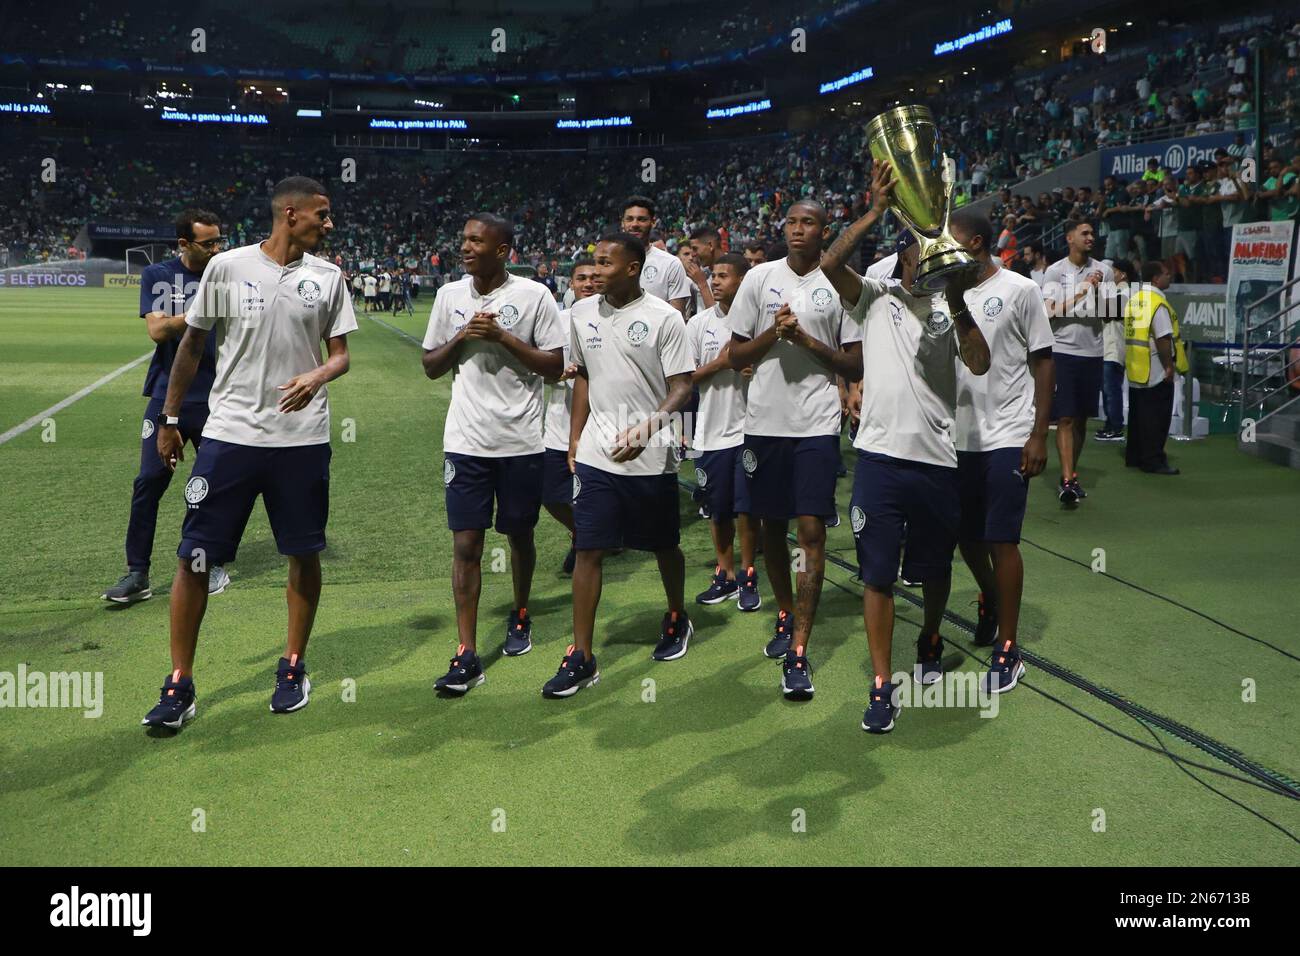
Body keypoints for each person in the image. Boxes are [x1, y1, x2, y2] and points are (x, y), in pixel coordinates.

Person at [141, 176, 357, 729]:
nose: (329, 225)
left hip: (302, 440)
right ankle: (180, 682)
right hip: (230, 435)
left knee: (302, 552)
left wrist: (318, 375)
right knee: (195, 556)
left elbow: (340, 356)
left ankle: (292, 666)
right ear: (290, 213)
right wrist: (168, 418)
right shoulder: (228, 267)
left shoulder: (329, 277)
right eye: (322, 215)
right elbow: (190, 343)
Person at [822, 174, 992, 735]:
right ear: (902, 262)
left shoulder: (951, 308)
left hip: (936, 460)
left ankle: (932, 634)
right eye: (915, 255)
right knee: (876, 576)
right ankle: (880, 683)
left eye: (931, 257)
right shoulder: (876, 298)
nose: (922, 265)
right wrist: (872, 213)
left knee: (934, 568)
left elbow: (982, 363)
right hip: (876, 459)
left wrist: (961, 300)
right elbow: (830, 265)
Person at [729, 188, 872, 702]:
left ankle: (799, 651)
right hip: (763, 424)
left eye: (808, 223)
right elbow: (734, 353)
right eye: (791, 221)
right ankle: (785, 614)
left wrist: (805, 342)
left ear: (823, 231)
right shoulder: (758, 278)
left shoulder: (839, 285)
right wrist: (774, 334)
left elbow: (855, 365)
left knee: (810, 529)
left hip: (815, 424)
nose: (796, 229)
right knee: (770, 527)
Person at [421, 213, 565, 693]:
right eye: (463, 239)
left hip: (521, 440)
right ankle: (466, 650)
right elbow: (430, 367)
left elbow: (554, 366)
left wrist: (503, 337)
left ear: (502, 250)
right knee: (466, 544)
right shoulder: (449, 296)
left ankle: (520, 611)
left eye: (476, 241)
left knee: (519, 534)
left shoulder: (534, 296)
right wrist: (462, 336)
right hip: (465, 441)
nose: (464, 248)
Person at [547, 233, 695, 698]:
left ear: (632, 268)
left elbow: (683, 386)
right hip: (596, 453)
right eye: (591, 264)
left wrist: (651, 427)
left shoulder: (664, 319)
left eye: (605, 264)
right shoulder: (580, 313)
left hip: (651, 454)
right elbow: (585, 377)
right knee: (589, 548)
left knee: (663, 545)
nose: (594, 273)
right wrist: (575, 437)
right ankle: (582, 654)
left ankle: (676, 614)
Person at [946, 210, 1052, 694]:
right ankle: (990, 597)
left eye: (955, 244)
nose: (945, 253)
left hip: (1009, 432)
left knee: (1001, 539)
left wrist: (1038, 433)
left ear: (978, 243)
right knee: (964, 535)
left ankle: (1009, 648)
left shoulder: (1020, 290)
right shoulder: (947, 295)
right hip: (956, 434)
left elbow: (1043, 361)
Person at [103, 209, 231, 605]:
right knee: (148, 483)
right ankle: (137, 573)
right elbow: (157, 331)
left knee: (214, 486)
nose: (216, 249)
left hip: (218, 395)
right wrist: (198, 313)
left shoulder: (229, 275)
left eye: (218, 241)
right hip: (167, 395)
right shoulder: (158, 276)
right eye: (208, 243)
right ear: (183, 244)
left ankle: (211, 562)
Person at [690, 253, 760, 611]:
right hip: (711, 430)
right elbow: (684, 380)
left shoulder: (758, 319)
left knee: (747, 508)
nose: (714, 281)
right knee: (717, 509)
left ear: (743, 281)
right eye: (712, 275)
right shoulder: (699, 324)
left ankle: (748, 573)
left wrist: (754, 368)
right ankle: (725, 573)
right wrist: (722, 363)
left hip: (751, 428)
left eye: (723, 275)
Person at [1042, 221, 1114, 504]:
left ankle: (1069, 473)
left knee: (1081, 419)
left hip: (1093, 353)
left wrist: (1097, 291)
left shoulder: (1104, 271)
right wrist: (1081, 292)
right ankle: (1069, 480)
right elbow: (1048, 312)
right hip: (1063, 351)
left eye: (1092, 233)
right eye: (1085, 233)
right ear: (1069, 238)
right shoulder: (1055, 271)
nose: (1091, 237)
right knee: (1066, 417)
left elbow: (1112, 315)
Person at [542, 256, 598, 576]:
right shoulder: (558, 321)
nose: (588, 283)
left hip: (601, 422)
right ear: (571, 284)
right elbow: (540, 372)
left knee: (594, 490)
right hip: (560, 422)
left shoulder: (612, 318)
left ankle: (591, 540)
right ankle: (583, 532)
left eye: (594, 277)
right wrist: (560, 374)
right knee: (549, 492)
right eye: (581, 278)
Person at [1123, 261, 1186, 475]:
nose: (1170, 277)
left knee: (1138, 416)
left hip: (1135, 366)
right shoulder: (1157, 303)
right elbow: (1163, 338)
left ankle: (1135, 456)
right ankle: (1153, 460)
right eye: (1167, 274)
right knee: (1156, 418)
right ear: (1156, 279)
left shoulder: (1136, 299)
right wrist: (1169, 366)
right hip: (1154, 367)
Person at [619, 196, 690, 314]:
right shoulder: (611, 263)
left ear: (653, 222)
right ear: (622, 223)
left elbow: (677, 319)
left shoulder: (670, 264)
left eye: (641, 219)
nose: (635, 224)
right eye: (629, 219)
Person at [1097, 258, 1136, 443]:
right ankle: (1110, 425)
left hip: (1115, 347)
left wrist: (1097, 291)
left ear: (1123, 274)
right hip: (1110, 347)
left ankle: (1116, 427)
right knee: (1108, 390)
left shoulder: (1126, 291)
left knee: (1112, 389)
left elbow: (1109, 313)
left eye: (1113, 271)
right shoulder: (1119, 291)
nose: (1110, 275)